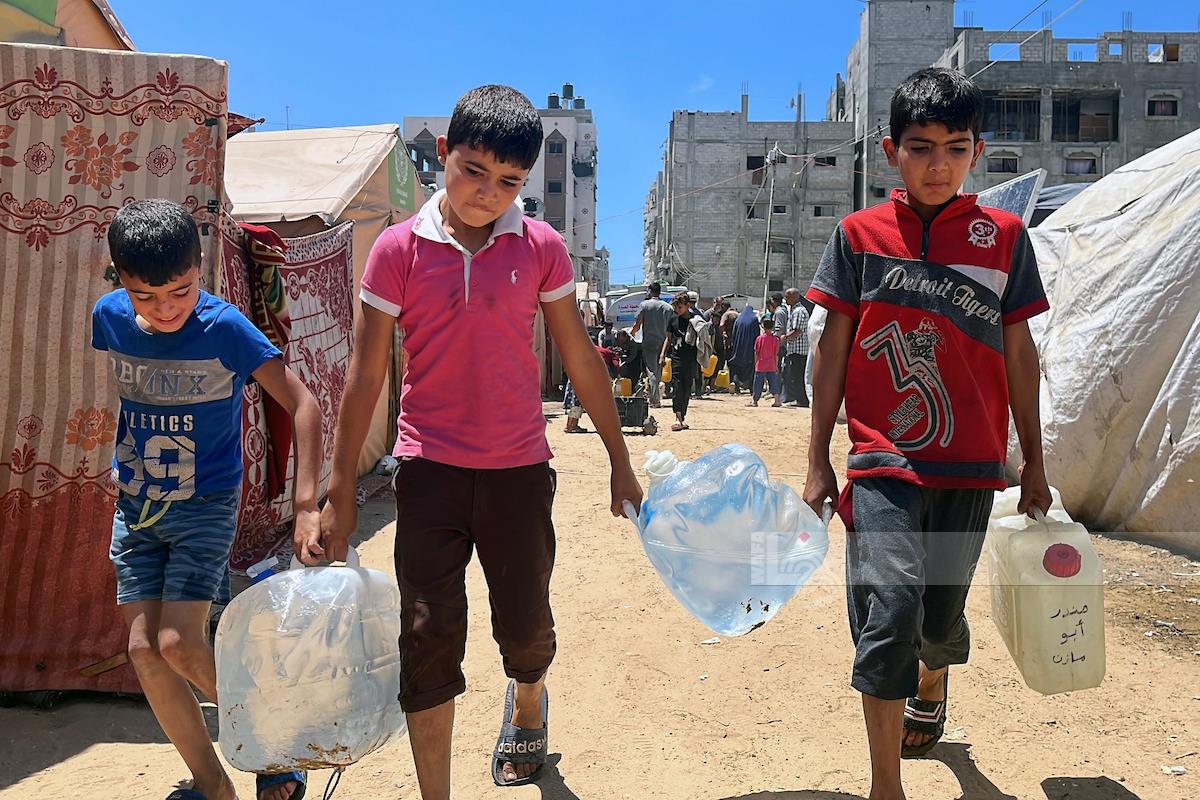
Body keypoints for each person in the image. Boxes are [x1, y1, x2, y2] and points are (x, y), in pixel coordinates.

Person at [318, 85, 643, 799]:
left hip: (518, 472)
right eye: (473, 171)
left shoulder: (542, 247)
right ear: (443, 153)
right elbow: (366, 375)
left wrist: (619, 460)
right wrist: (339, 489)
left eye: (509, 181)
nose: (487, 193)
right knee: (426, 635)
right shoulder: (398, 250)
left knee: (525, 630)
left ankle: (528, 699)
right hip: (427, 471)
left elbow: (580, 357)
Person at [802, 68, 1052, 800]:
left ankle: (934, 675)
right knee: (891, 611)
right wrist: (817, 459)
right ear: (891, 152)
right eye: (920, 148)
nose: (938, 164)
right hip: (882, 458)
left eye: (955, 147)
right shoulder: (857, 237)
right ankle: (886, 785)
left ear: (977, 151)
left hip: (971, 465)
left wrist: (1033, 462)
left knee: (937, 622)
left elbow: (1020, 354)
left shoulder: (1004, 238)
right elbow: (833, 350)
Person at [92, 200, 323, 800]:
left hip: (204, 506)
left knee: (179, 643)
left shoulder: (225, 328)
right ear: (119, 280)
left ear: (201, 267)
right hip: (136, 509)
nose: (165, 308)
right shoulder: (108, 318)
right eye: (145, 296)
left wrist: (305, 505)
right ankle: (212, 785)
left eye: (181, 291)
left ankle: (278, 744)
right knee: (144, 651)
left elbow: (303, 405)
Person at [630, 281, 674, 407]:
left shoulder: (644, 305)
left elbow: (638, 324)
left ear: (650, 291)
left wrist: (632, 333)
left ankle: (654, 400)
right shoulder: (668, 308)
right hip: (663, 342)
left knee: (651, 371)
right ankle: (656, 397)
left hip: (649, 342)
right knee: (658, 370)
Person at [660, 293, 698, 431]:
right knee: (677, 386)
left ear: (687, 305)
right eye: (676, 307)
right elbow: (668, 338)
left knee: (687, 387)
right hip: (677, 357)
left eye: (680, 307)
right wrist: (662, 354)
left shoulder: (695, 320)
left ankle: (682, 417)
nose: (678, 310)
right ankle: (677, 416)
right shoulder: (673, 319)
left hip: (691, 358)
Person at [779, 288, 810, 407]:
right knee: (795, 376)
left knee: (797, 377)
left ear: (794, 297)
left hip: (799, 351)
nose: (785, 299)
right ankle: (799, 400)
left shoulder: (798, 311)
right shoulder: (794, 310)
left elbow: (797, 331)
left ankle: (801, 400)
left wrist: (784, 338)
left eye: (787, 297)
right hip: (795, 351)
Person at [750, 316, 782, 407]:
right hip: (771, 364)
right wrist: (776, 366)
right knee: (773, 382)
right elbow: (776, 354)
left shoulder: (759, 339)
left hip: (761, 364)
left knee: (758, 383)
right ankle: (777, 400)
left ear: (763, 326)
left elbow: (756, 352)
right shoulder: (775, 340)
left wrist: (756, 363)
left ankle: (755, 401)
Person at [728, 303, 759, 394]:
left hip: (738, 347)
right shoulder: (754, 319)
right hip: (750, 348)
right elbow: (757, 334)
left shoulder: (738, 320)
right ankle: (751, 387)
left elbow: (734, 334)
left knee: (737, 366)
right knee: (750, 367)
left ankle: (736, 383)